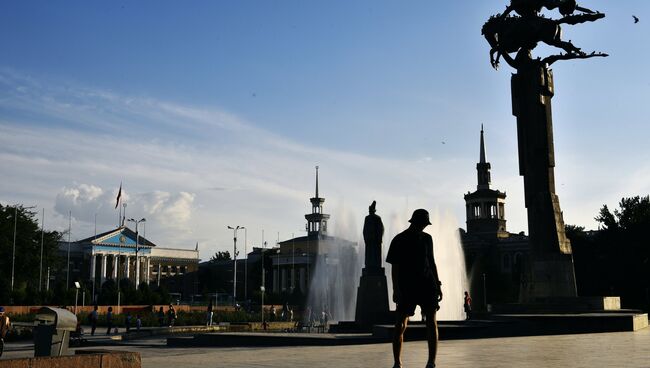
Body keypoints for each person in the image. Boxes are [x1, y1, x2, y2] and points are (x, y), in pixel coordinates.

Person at [386, 209, 443, 368]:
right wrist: (396, 289)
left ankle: (431, 361)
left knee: (431, 322)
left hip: (427, 284)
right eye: (424, 223)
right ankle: (397, 362)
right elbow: (395, 267)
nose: (425, 226)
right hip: (407, 286)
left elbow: (432, 262)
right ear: (416, 222)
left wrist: (438, 284)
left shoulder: (427, 239)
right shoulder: (399, 239)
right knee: (400, 325)